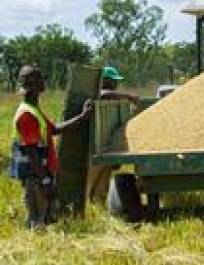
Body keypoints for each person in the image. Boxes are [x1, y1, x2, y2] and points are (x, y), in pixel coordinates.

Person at [9, 65, 92, 229]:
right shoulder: (27, 114)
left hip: (40, 173)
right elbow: (31, 152)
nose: (43, 83)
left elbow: (54, 129)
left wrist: (82, 117)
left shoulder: (34, 109)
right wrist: (45, 180)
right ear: (33, 85)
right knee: (37, 222)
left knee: (46, 219)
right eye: (40, 79)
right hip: (35, 175)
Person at [87, 66, 139, 204]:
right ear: (104, 81)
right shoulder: (97, 94)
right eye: (113, 81)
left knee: (103, 185)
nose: (116, 85)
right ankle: (86, 214)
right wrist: (128, 96)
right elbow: (102, 94)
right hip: (93, 148)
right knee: (89, 184)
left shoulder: (113, 101)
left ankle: (99, 209)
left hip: (107, 147)